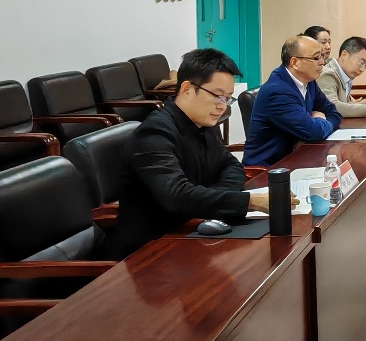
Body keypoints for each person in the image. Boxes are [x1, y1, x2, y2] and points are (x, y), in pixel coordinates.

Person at [111, 48, 284, 258]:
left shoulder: (204, 123)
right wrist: (248, 201)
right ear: (187, 89)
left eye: (228, 98)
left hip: (195, 230)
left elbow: (231, 165)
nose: (222, 107)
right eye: (217, 96)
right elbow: (177, 197)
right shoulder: (153, 134)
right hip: (151, 250)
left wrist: (214, 199)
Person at [243, 34, 343, 168]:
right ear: (295, 62)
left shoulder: (309, 81)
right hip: (270, 168)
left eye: (322, 56)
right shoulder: (277, 91)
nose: (322, 62)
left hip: (298, 158)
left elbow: (334, 113)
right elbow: (313, 132)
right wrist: (321, 120)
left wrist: (317, 125)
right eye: (316, 58)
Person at [318, 36, 366, 119]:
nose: (362, 69)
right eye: (361, 62)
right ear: (344, 55)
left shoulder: (345, 74)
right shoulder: (328, 74)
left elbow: (347, 104)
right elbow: (333, 106)